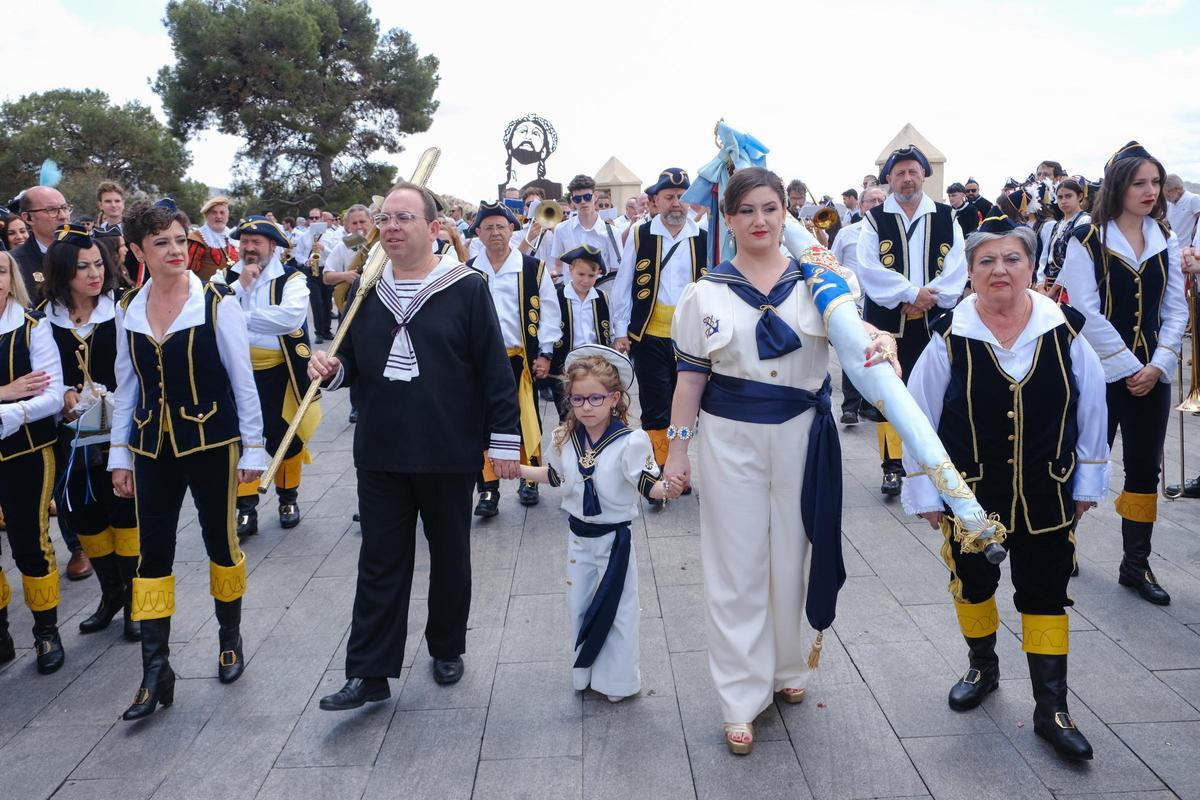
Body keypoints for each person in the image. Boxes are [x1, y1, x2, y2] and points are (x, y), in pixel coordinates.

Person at [666, 167, 898, 754]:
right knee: (735, 565)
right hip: (729, 438)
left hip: (802, 437)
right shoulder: (705, 293)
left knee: (791, 557)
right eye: (746, 211)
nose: (760, 221)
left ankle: (787, 668)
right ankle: (741, 695)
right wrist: (677, 449)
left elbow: (857, 336)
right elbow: (690, 379)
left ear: (784, 213)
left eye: (770, 209)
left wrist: (883, 342)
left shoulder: (820, 282)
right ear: (728, 219)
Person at [306, 183, 521, 710]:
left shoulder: (466, 287)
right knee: (379, 560)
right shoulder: (365, 291)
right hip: (380, 448)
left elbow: (494, 371)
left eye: (405, 217)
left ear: (434, 226)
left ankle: (447, 645)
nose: (392, 227)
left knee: (450, 555)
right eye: (385, 218)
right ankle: (370, 671)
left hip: (448, 448)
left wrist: (503, 443)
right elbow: (350, 363)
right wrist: (330, 370)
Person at [903, 218, 1108, 761]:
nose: (1000, 270)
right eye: (987, 261)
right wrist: (926, 494)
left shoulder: (1065, 329)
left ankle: (1052, 708)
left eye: (1012, 259)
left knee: (1045, 590)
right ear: (970, 274)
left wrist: (1087, 481)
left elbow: (1091, 411)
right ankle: (983, 666)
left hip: (1048, 492)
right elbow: (917, 416)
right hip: (972, 498)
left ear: (1031, 268)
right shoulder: (949, 336)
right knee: (973, 583)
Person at [109, 199, 267, 720]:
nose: (176, 250)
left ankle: (229, 637)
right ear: (137, 250)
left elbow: (243, 380)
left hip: (211, 441)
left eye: (180, 239)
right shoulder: (128, 308)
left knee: (219, 540)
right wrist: (119, 456)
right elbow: (126, 386)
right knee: (152, 553)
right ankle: (157, 670)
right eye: (162, 243)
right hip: (149, 446)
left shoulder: (217, 303)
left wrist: (253, 447)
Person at [1057, 141, 1188, 607]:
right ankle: (1062, 545)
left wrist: (1159, 364)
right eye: (1140, 183)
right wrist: (1133, 366)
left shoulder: (1165, 238)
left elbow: (1174, 308)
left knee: (1145, 468)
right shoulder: (1086, 239)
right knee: (1081, 457)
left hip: (1153, 374)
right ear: (1119, 187)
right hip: (1098, 371)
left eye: (1155, 182)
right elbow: (1085, 311)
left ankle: (1136, 564)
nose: (1151, 191)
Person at [520, 346, 677, 701]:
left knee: (620, 612)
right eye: (578, 399)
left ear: (614, 398)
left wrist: (668, 486)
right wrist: (517, 470)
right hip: (579, 539)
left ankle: (617, 682)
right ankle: (585, 674)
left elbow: (647, 485)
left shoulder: (630, 441)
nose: (586, 406)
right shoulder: (565, 439)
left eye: (595, 398)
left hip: (614, 542)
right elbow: (557, 478)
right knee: (579, 604)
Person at [41, 225, 141, 643]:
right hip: (71, 434)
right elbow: (42, 369)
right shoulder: (44, 318)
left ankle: (136, 599)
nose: (94, 274)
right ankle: (111, 594)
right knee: (84, 514)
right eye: (83, 267)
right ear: (64, 272)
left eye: (99, 264)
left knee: (124, 509)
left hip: (120, 428)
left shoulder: (121, 307)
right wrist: (62, 392)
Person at [856, 145, 967, 496]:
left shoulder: (947, 217)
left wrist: (927, 296)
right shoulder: (875, 220)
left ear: (924, 175)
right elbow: (868, 268)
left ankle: (933, 463)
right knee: (890, 392)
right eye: (900, 172)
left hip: (935, 319)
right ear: (889, 178)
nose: (907, 178)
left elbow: (958, 267)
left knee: (938, 390)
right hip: (888, 323)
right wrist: (909, 293)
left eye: (913, 171)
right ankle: (892, 467)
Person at [12, 185, 92, 580]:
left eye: (65, 206)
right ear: (28, 218)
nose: (62, 214)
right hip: (43, 374)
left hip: (89, 359)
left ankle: (99, 539)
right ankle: (77, 546)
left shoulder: (81, 246)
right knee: (62, 467)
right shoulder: (16, 261)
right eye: (52, 209)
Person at [611, 168, 708, 480]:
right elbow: (624, 283)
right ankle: (660, 467)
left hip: (691, 337)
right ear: (655, 200)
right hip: (649, 333)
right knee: (654, 404)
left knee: (685, 404)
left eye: (682, 197)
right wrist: (621, 330)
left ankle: (678, 466)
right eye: (669, 197)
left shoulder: (703, 237)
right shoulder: (641, 234)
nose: (676, 203)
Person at [225, 216, 319, 536]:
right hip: (237, 371)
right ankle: (245, 509)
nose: (249, 249)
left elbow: (290, 319)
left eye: (256, 243)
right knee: (240, 439)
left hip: (280, 369)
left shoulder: (292, 279)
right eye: (244, 243)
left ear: (273, 247)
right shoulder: (228, 277)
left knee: (285, 434)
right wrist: (241, 287)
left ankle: (287, 498)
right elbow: (209, 310)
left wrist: (237, 315)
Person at [466, 201, 560, 515]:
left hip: (520, 359)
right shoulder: (466, 270)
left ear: (512, 229)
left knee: (526, 419)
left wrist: (545, 352)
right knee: (481, 422)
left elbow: (550, 312)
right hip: (477, 362)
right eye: (488, 227)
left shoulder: (533, 267)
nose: (495, 232)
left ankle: (529, 478)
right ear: (478, 232)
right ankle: (488, 489)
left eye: (501, 226)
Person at [0, 249, 67, 673]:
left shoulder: (31, 327)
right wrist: (5, 392)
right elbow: (19, 392)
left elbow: (53, 396)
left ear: (11, 277)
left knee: (31, 542)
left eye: (0, 271)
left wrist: (11, 412)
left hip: (26, 449)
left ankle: (45, 631)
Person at [831, 185, 886, 423]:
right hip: (854, 301)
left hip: (882, 302)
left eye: (880, 201)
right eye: (870, 201)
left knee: (878, 351)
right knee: (852, 348)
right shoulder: (847, 233)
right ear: (861, 206)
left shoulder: (892, 233)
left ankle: (872, 404)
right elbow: (835, 265)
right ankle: (850, 407)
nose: (875, 205)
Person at [550, 246, 612, 420]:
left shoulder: (602, 298)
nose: (585, 280)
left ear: (598, 273)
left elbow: (609, 330)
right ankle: (570, 445)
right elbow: (548, 329)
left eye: (591, 276)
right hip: (565, 367)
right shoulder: (557, 296)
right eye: (581, 274)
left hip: (595, 367)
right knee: (568, 415)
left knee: (594, 412)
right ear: (570, 270)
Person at [546, 175, 623, 282]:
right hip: (570, 294)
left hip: (600, 294)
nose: (582, 202)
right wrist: (553, 274)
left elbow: (615, 272)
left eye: (587, 197)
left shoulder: (613, 232)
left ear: (595, 196)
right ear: (572, 201)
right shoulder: (561, 229)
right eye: (577, 199)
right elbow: (558, 266)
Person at [1037, 179, 1091, 294]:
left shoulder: (1084, 221)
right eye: (1060, 197)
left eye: (1068, 196)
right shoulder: (1058, 224)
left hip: (1070, 286)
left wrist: (1054, 290)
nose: (1063, 201)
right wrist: (1040, 284)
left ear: (1080, 196)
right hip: (1049, 284)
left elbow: (1072, 260)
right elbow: (1045, 256)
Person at [186, 196, 238, 282]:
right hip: (206, 292)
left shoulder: (233, 237)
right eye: (214, 213)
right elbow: (188, 273)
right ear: (206, 216)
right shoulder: (197, 238)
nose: (218, 216)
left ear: (227, 215)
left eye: (222, 213)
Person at [1165, 174, 1200, 246]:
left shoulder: (1193, 199)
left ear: (1177, 189)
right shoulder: (1169, 204)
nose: (1166, 197)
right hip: (1174, 248)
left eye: (1167, 193)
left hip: (1189, 250)